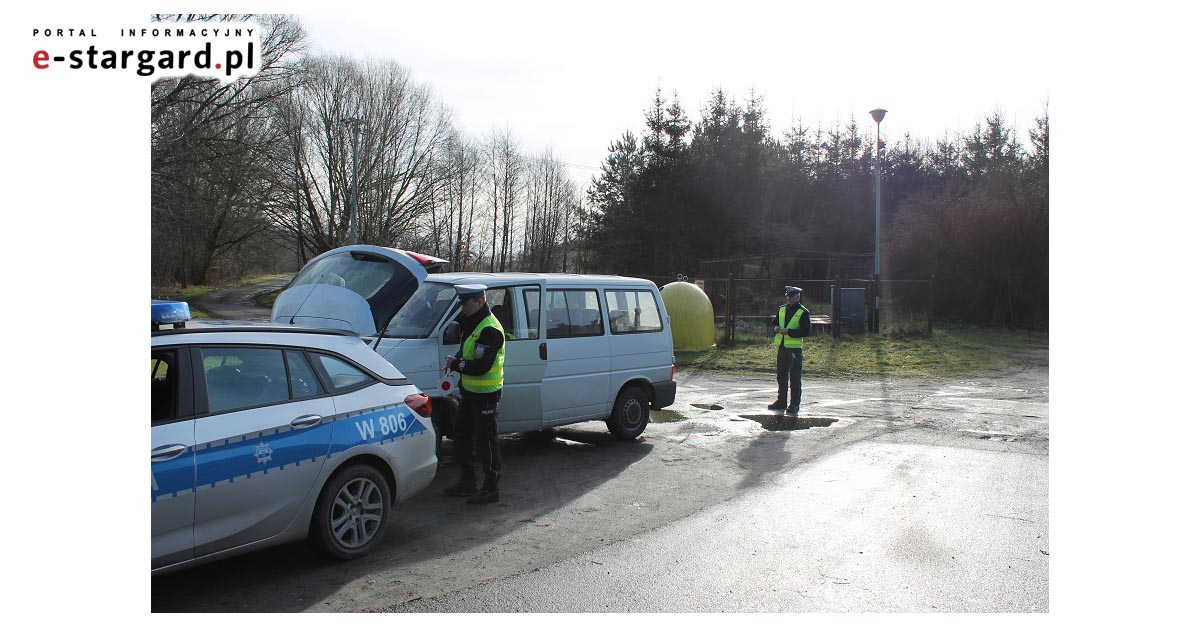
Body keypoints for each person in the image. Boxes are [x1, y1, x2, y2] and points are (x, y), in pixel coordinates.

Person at [441, 284, 506, 504]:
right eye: (461, 304)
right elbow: (465, 349)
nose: (463, 308)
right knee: (461, 435)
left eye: (466, 303)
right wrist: (457, 360)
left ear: (480, 301)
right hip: (470, 393)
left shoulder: (490, 329)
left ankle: (491, 488)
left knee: (486, 441)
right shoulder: (473, 321)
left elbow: (481, 366)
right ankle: (468, 481)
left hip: (486, 394)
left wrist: (457, 364)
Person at [768, 286, 811, 414]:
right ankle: (781, 401)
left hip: (794, 349)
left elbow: (806, 331)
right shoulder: (781, 309)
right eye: (787, 296)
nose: (788, 299)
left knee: (794, 377)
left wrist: (790, 332)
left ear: (797, 297)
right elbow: (774, 323)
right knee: (781, 376)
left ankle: (794, 404)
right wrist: (775, 328)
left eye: (791, 297)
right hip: (782, 347)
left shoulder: (803, 312)